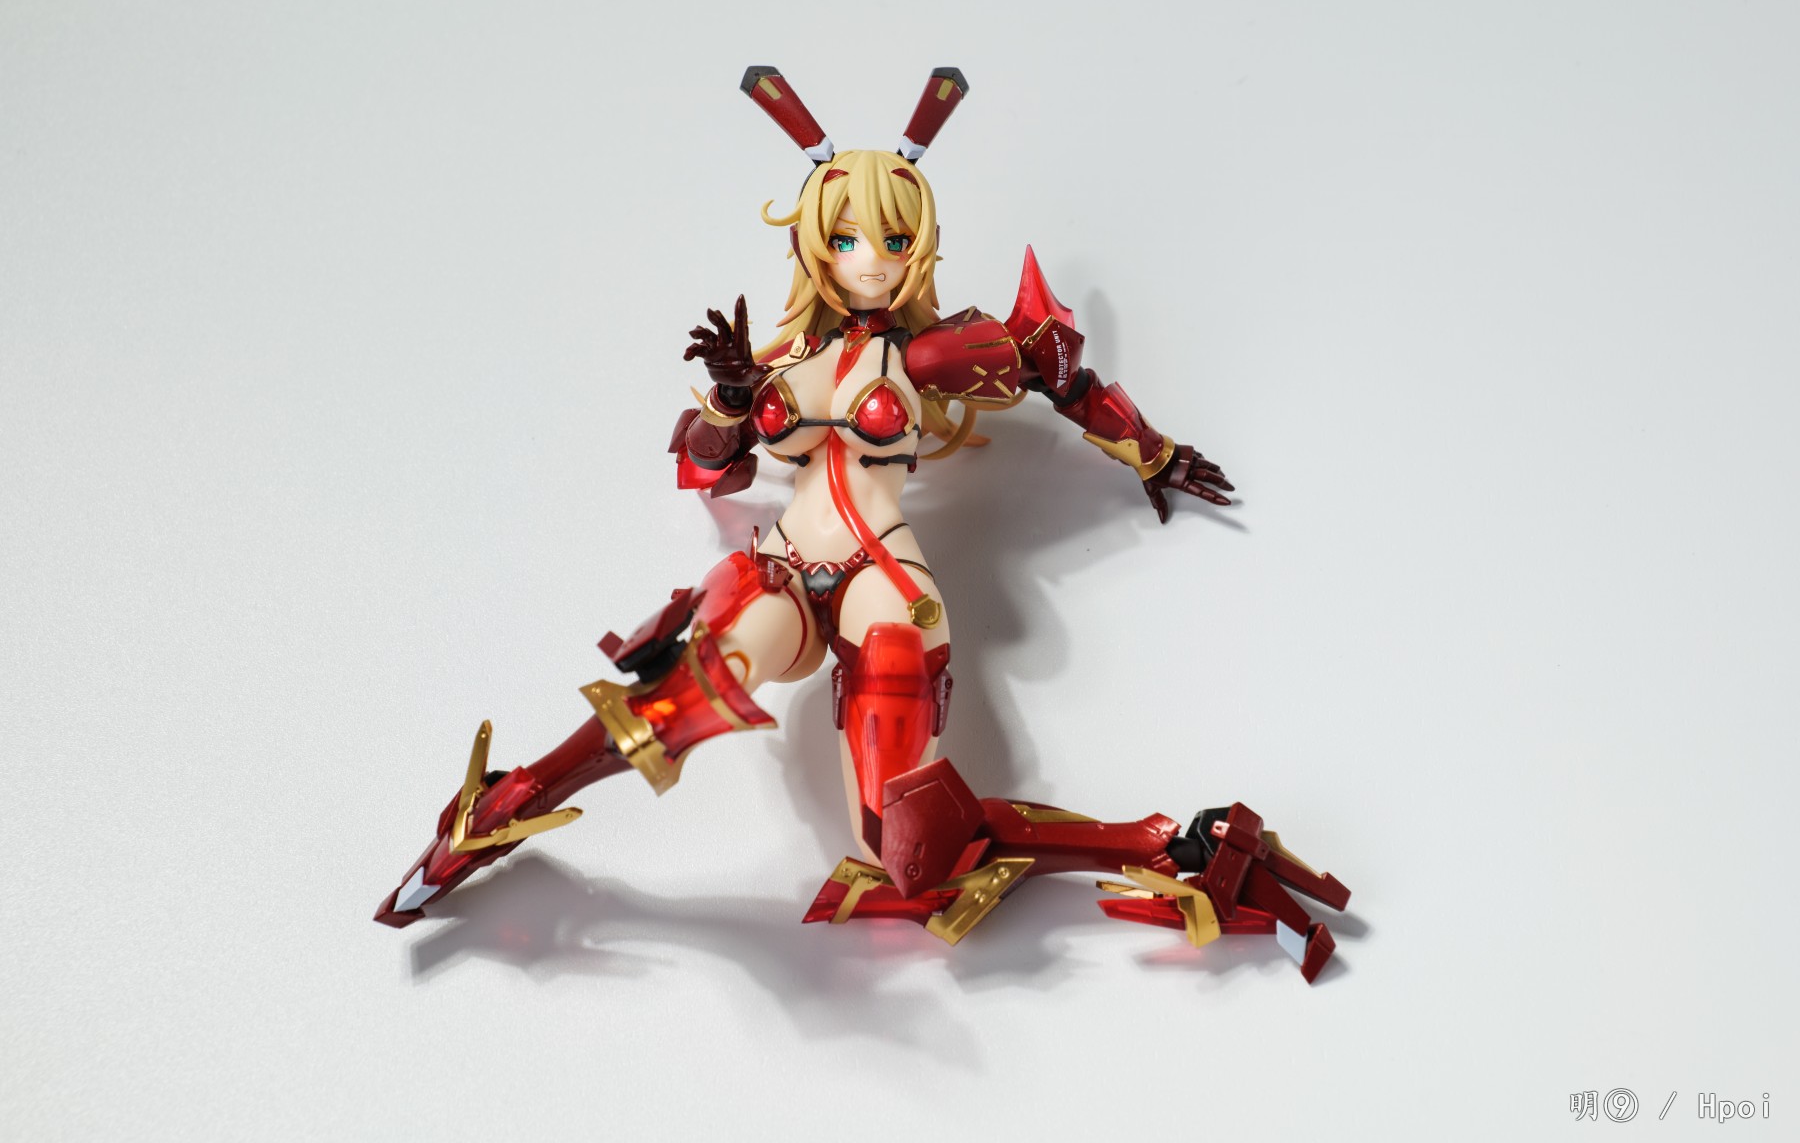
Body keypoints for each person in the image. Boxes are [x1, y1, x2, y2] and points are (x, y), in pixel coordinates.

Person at [375, 67, 1349, 982]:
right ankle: (502, 805)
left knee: (905, 855)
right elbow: (706, 470)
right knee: (681, 693)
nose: (871, 261)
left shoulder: (936, 355)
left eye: (891, 240)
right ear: (814, 243)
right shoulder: (780, 358)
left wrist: (1156, 453)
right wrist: (731, 396)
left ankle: (1171, 844)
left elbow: (1062, 376)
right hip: (783, 566)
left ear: (918, 246)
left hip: (885, 576)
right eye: (847, 240)